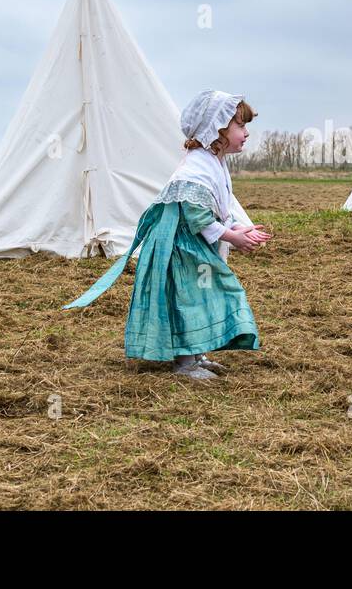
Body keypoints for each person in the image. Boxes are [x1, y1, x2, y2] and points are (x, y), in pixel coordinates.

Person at [64, 90, 270, 380]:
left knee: (204, 297)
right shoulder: (197, 166)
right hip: (182, 250)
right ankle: (185, 363)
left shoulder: (214, 162)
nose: (246, 133)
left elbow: (215, 208)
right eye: (240, 125)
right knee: (190, 299)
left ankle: (198, 355)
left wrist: (235, 228)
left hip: (197, 247)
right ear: (217, 128)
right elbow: (195, 215)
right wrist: (231, 237)